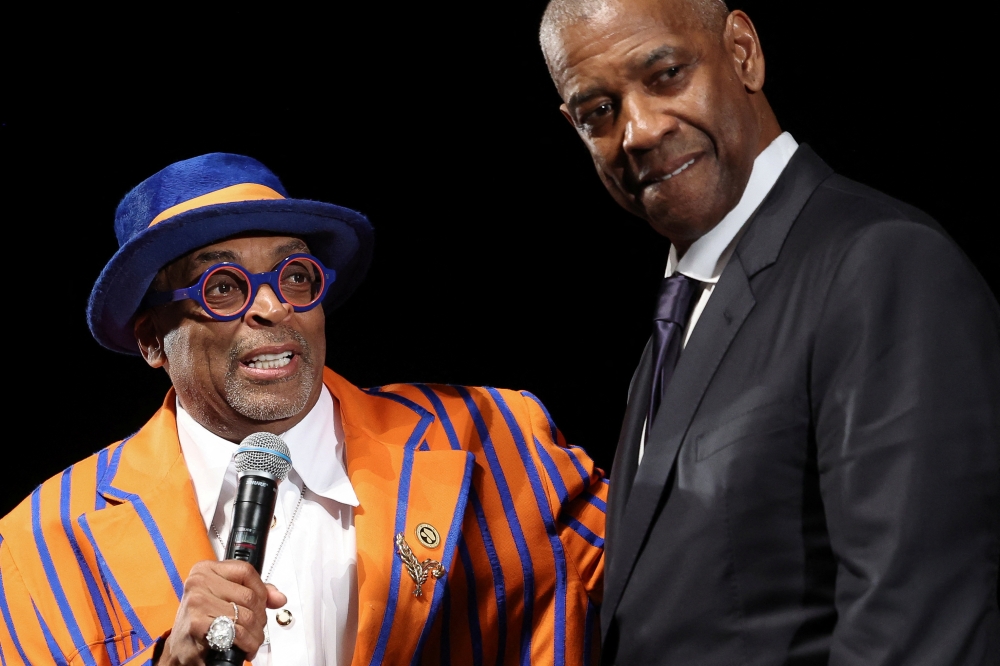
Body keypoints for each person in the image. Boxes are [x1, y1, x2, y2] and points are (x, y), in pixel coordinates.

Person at [0, 153, 607, 665]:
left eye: (294, 277)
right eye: (222, 288)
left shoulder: (497, 439)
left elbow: (680, 582)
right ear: (152, 340)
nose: (273, 307)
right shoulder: (42, 540)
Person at [539, 0, 1000, 663]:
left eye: (665, 73)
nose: (637, 130)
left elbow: (916, 630)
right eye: (598, 112)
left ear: (743, 52)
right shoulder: (683, 316)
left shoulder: (881, 263)